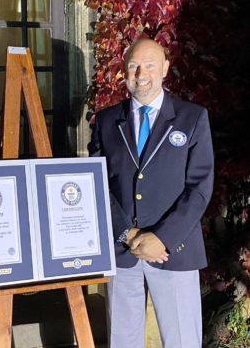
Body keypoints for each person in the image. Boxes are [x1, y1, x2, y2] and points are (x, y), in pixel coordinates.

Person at [89, 38, 214, 347]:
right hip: (122, 249)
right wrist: (127, 233)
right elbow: (96, 183)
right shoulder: (106, 121)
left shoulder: (192, 118)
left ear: (165, 70)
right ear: (124, 70)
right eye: (133, 66)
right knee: (122, 338)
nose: (141, 73)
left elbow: (199, 187)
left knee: (182, 339)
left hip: (173, 249)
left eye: (149, 65)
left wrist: (162, 238)